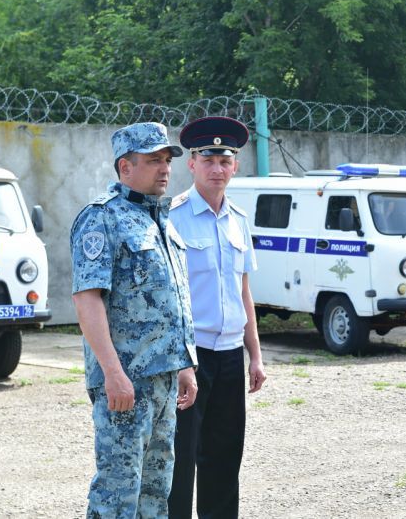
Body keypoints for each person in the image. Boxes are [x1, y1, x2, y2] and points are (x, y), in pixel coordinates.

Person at [70, 122, 198, 518]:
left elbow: (172, 299)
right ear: (125, 167)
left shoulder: (161, 220)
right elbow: (87, 300)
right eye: (153, 160)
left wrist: (184, 365)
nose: (164, 169)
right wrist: (112, 372)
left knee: (156, 493)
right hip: (126, 383)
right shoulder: (101, 219)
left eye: (166, 160)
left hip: (162, 379)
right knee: (117, 493)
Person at [167, 116, 267, 519]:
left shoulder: (239, 221)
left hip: (229, 356)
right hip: (191, 357)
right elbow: (170, 297)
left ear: (235, 166)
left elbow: (244, 293)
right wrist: (179, 362)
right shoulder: (173, 217)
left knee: (225, 457)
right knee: (181, 458)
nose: (217, 168)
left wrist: (255, 356)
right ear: (191, 164)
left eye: (225, 160)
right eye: (208, 159)